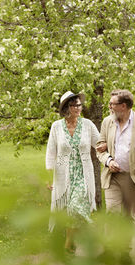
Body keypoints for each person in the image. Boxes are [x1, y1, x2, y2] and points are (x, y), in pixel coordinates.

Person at [45, 91, 101, 253]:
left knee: (76, 207)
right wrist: (49, 177)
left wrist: (109, 152)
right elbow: (51, 153)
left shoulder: (88, 125)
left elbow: (99, 144)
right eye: (74, 105)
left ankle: (68, 244)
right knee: (69, 211)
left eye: (79, 104)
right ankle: (73, 242)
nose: (78, 108)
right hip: (63, 175)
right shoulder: (56, 127)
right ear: (66, 108)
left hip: (83, 174)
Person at [96, 89, 135, 222]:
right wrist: (109, 161)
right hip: (112, 177)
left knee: (128, 217)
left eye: (112, 104)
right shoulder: (108, 122)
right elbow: (100, 148)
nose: (109, 107)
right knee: (112, 213)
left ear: (123, 106)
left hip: (133, 179)